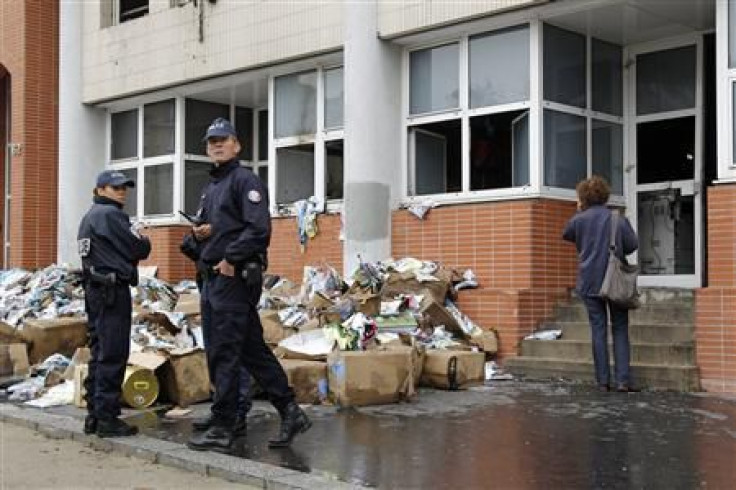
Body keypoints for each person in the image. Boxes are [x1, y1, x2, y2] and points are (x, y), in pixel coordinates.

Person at [187, 118, 311, 452]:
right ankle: (289, 411)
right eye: (211, 141)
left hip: (233, 278)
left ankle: (226, 424)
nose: (216, 145)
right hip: (213, 279)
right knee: (247, 351)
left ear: (236, 145)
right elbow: (224, 227)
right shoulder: (212, 187)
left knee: (226, 351)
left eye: (223, 140)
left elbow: (258, 230)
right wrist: (200, 234)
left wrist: (230, 257)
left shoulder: (245, 180)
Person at [78, 170, 151, 437]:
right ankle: (107, 418)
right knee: (113, 352)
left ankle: (94, 415)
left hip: (95, 290)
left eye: (124, 188)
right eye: (115, 187)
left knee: (99, 352)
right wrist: (144, 238)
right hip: (111, 291)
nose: (122, 192)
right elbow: (139, 249)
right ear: (100, 190)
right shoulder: (110, 215)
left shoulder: (89, 216)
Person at [562, 176, 639, 393]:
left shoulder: (579, 220)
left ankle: (602, 382)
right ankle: (623, 381)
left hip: (589, 282)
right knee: (620, 328)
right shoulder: (618, 219)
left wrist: (579, 210)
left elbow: (566, 234)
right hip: (615, 281)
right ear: (605, 195)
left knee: (598, 329)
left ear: (583, 197)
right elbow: (632, 245)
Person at [180, 231, 252, 436]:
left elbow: (252, 238)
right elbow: (187, 245)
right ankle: (220, 409)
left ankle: (237, 411)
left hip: (231, 284)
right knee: (215, 351)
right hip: (209, 284)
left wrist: (228, 257)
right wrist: (195, 235)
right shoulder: (209, 209)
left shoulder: (234, 218)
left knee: (232, 350)